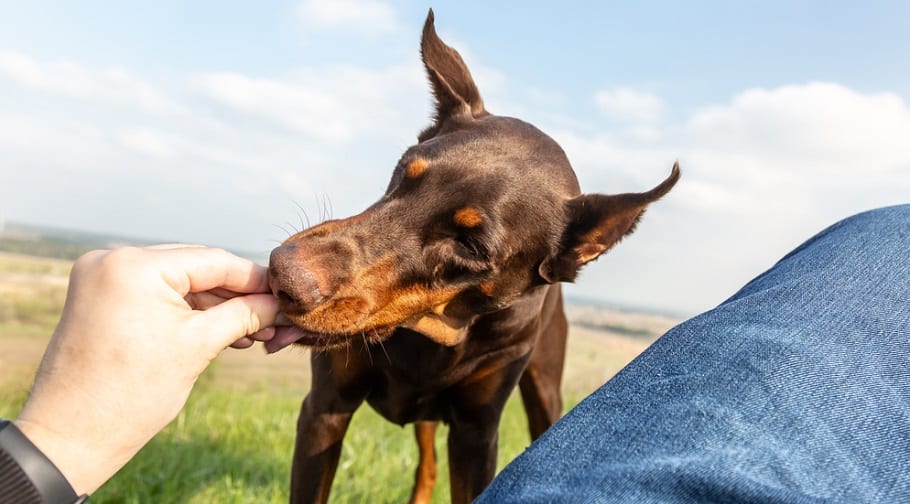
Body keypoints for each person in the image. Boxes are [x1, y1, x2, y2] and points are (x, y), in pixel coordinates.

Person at [2, 205, 909, 502]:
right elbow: (325, 413)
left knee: (538, 419)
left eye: (465, 246)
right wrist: (52, 445)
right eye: (409, 179)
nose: (303, 259)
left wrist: (43, 453)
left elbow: (501, 434)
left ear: (568, 260)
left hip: (484, 352)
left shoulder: (527, 303)